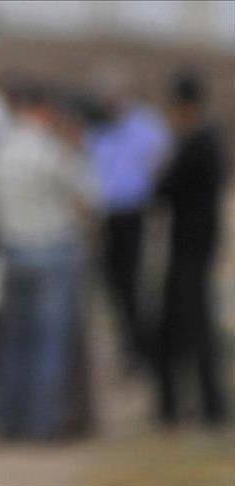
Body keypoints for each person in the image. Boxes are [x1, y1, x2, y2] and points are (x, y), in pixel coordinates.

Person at [0, 82, 94, 440]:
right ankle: (42, 423)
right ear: (44, 110)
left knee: (13, 342)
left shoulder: (0, 149)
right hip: (52, 248)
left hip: (12, 250)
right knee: (49, 343)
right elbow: (87, 200)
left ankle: (8, 420)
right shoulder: (52, 149)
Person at [154, 69, 228, 425]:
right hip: (195, 246)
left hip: (190, 248)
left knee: (192, 328)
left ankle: (205, 406)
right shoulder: (209, 140)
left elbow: (164, 189)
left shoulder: (196, 142)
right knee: (188, 327)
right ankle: (196, 405)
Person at [87, 66, 170, 370]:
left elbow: (161, 162)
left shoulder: (147, 124)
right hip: (105, 216)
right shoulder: (97, 127)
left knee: (135, 283)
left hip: (134, 213)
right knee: (113, 286)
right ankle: (127, 346)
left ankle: (142, 348)